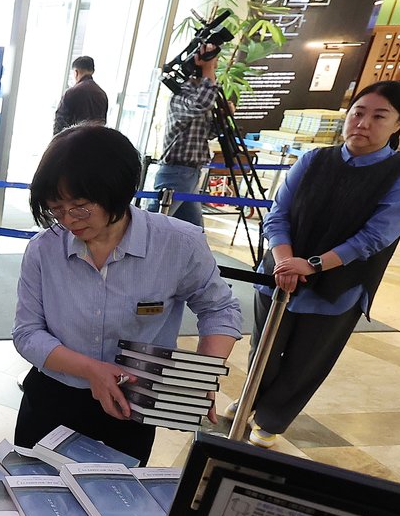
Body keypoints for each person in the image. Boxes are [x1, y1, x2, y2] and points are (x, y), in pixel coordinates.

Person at [12, 124, 241, 465]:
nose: (69, 221)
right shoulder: (44, 250)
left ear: (116, 191)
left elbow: (220, 309)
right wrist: (91, 370)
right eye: (56, 210)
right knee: (32, 493)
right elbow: (27, 333)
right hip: (52, 396)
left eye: (80, 207)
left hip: (132, 403)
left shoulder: (178, 244)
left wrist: (201, 375)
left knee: (116, 503)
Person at [243, 82, 400, 449]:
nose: (363, 123)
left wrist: (310, 265)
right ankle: (252, 400)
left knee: (307, 358)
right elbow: (278, 215)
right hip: (280, 274)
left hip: (339, 285)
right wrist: (285, 263)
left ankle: (271, 418)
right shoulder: (314, 160)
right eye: (358, 113)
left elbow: (376, 236)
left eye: (379, 116)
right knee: (263, 348)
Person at [146, 44, 220, 229]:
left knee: (193, 232)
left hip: (192, 173)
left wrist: (224, 119)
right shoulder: (181, 96)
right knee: (150, 228)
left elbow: (207, 133)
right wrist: (208, 69)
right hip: (176, 173)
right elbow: (200, 104)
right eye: (213, 63)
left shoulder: (199, 98)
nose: (215, 67)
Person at [53, 55, 108, 134]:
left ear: (76, 72)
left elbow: (60, 122)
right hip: (94, 142)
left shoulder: (72, 92)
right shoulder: (102, 95)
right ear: (92, 71)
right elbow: (103, 123)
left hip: (73, 142)